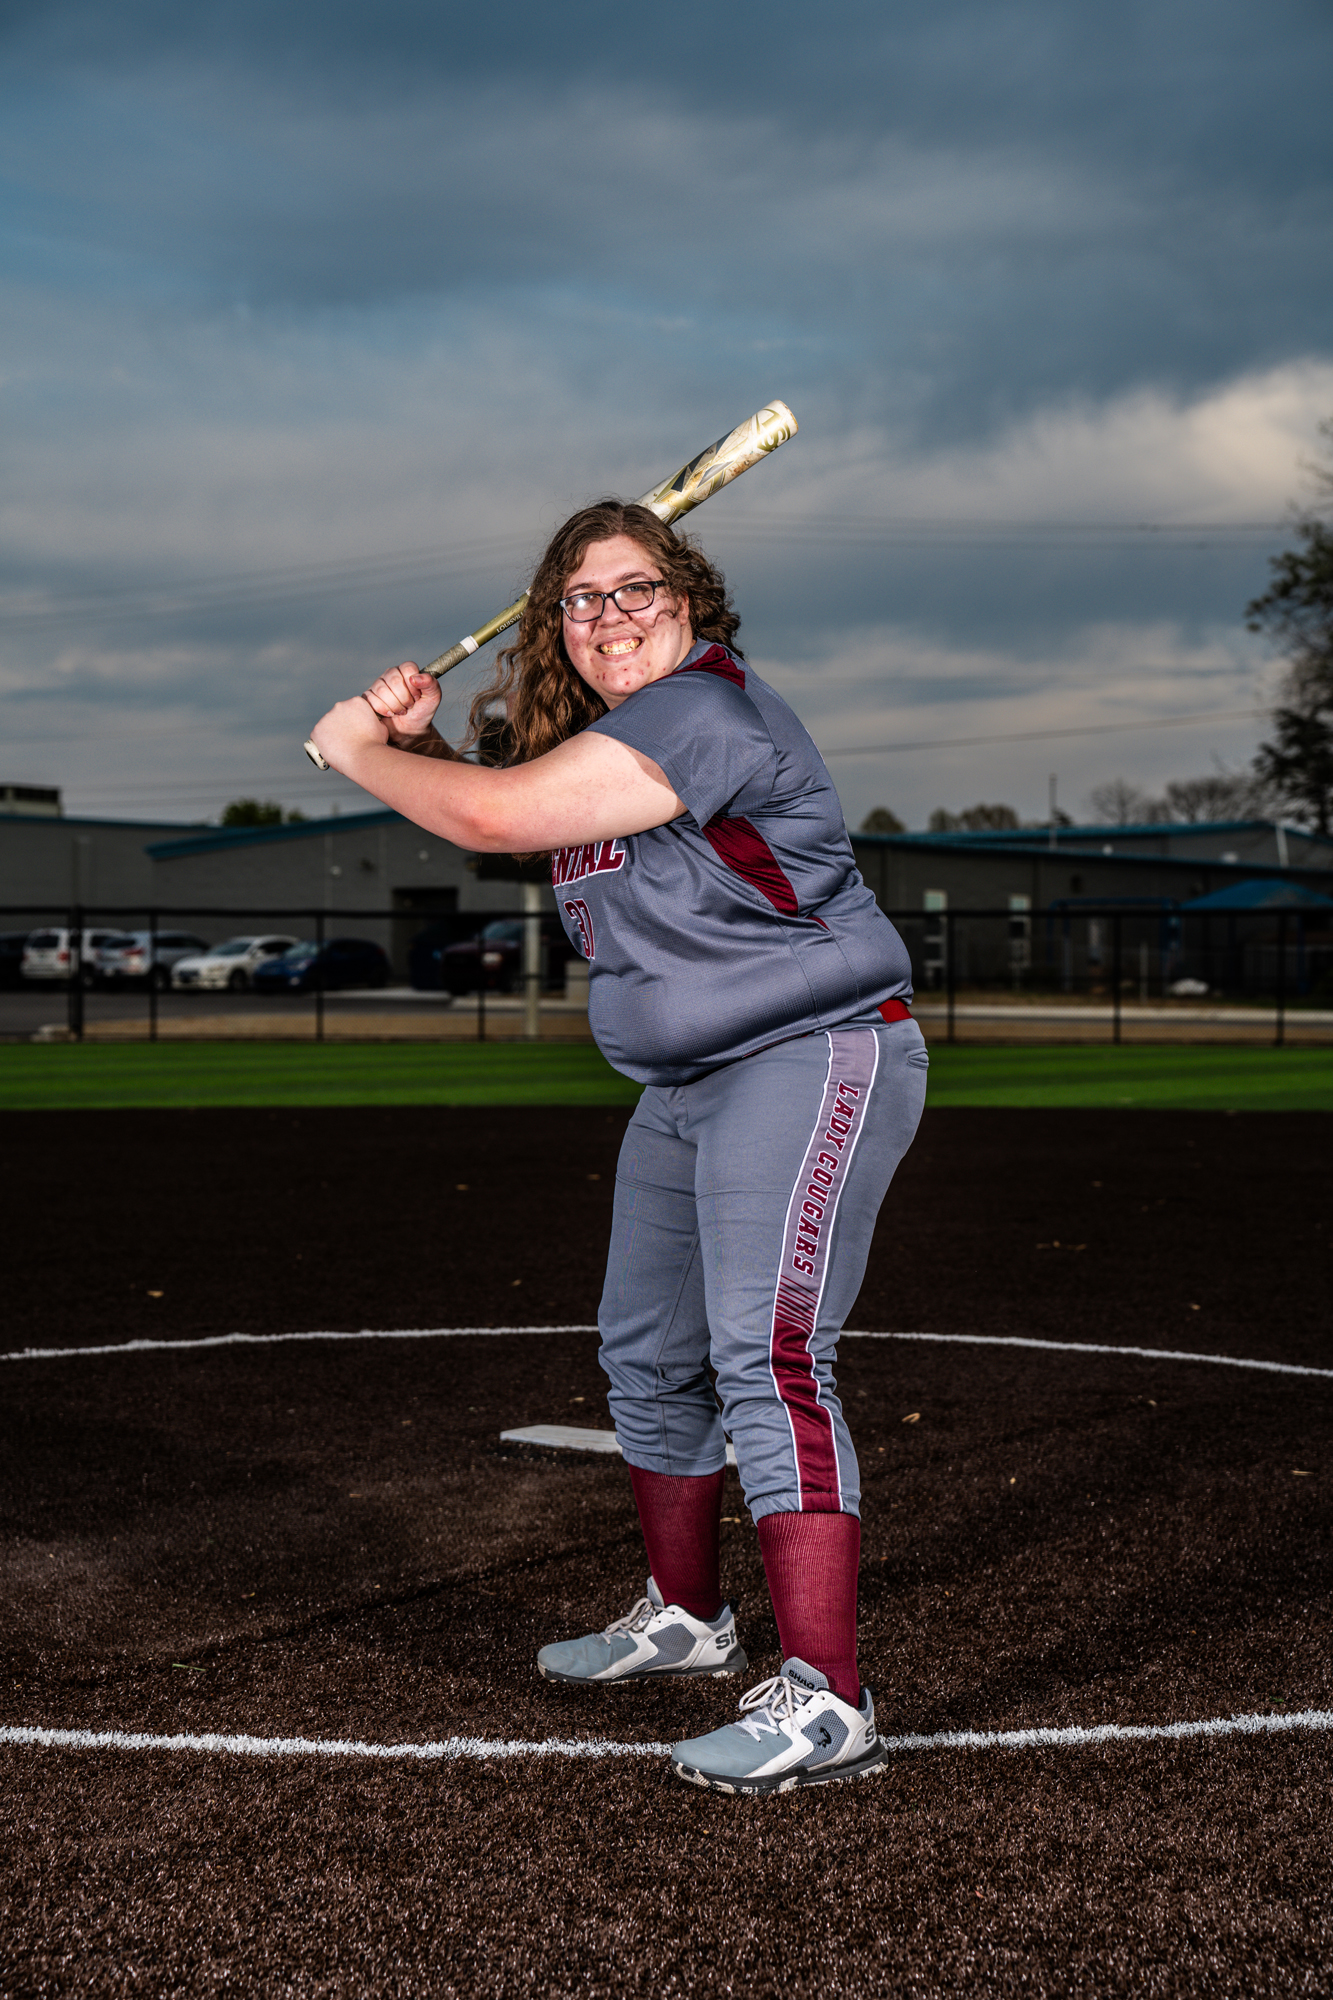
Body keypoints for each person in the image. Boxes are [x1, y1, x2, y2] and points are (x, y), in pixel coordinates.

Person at [309, 500, 928, 1795]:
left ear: (688, 600)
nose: (610, 615)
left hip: (808, 1052)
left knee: (768, 1356)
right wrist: (424, 744)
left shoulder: (705, 711)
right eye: (582, 599)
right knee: (646, 1354)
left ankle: (829, 1701)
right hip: (684, 1083)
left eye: (636, 587)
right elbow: (522, 808)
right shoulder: (607, 745)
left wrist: (360, 751)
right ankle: (688, 1617)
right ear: (560, 629)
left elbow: (491, 820)